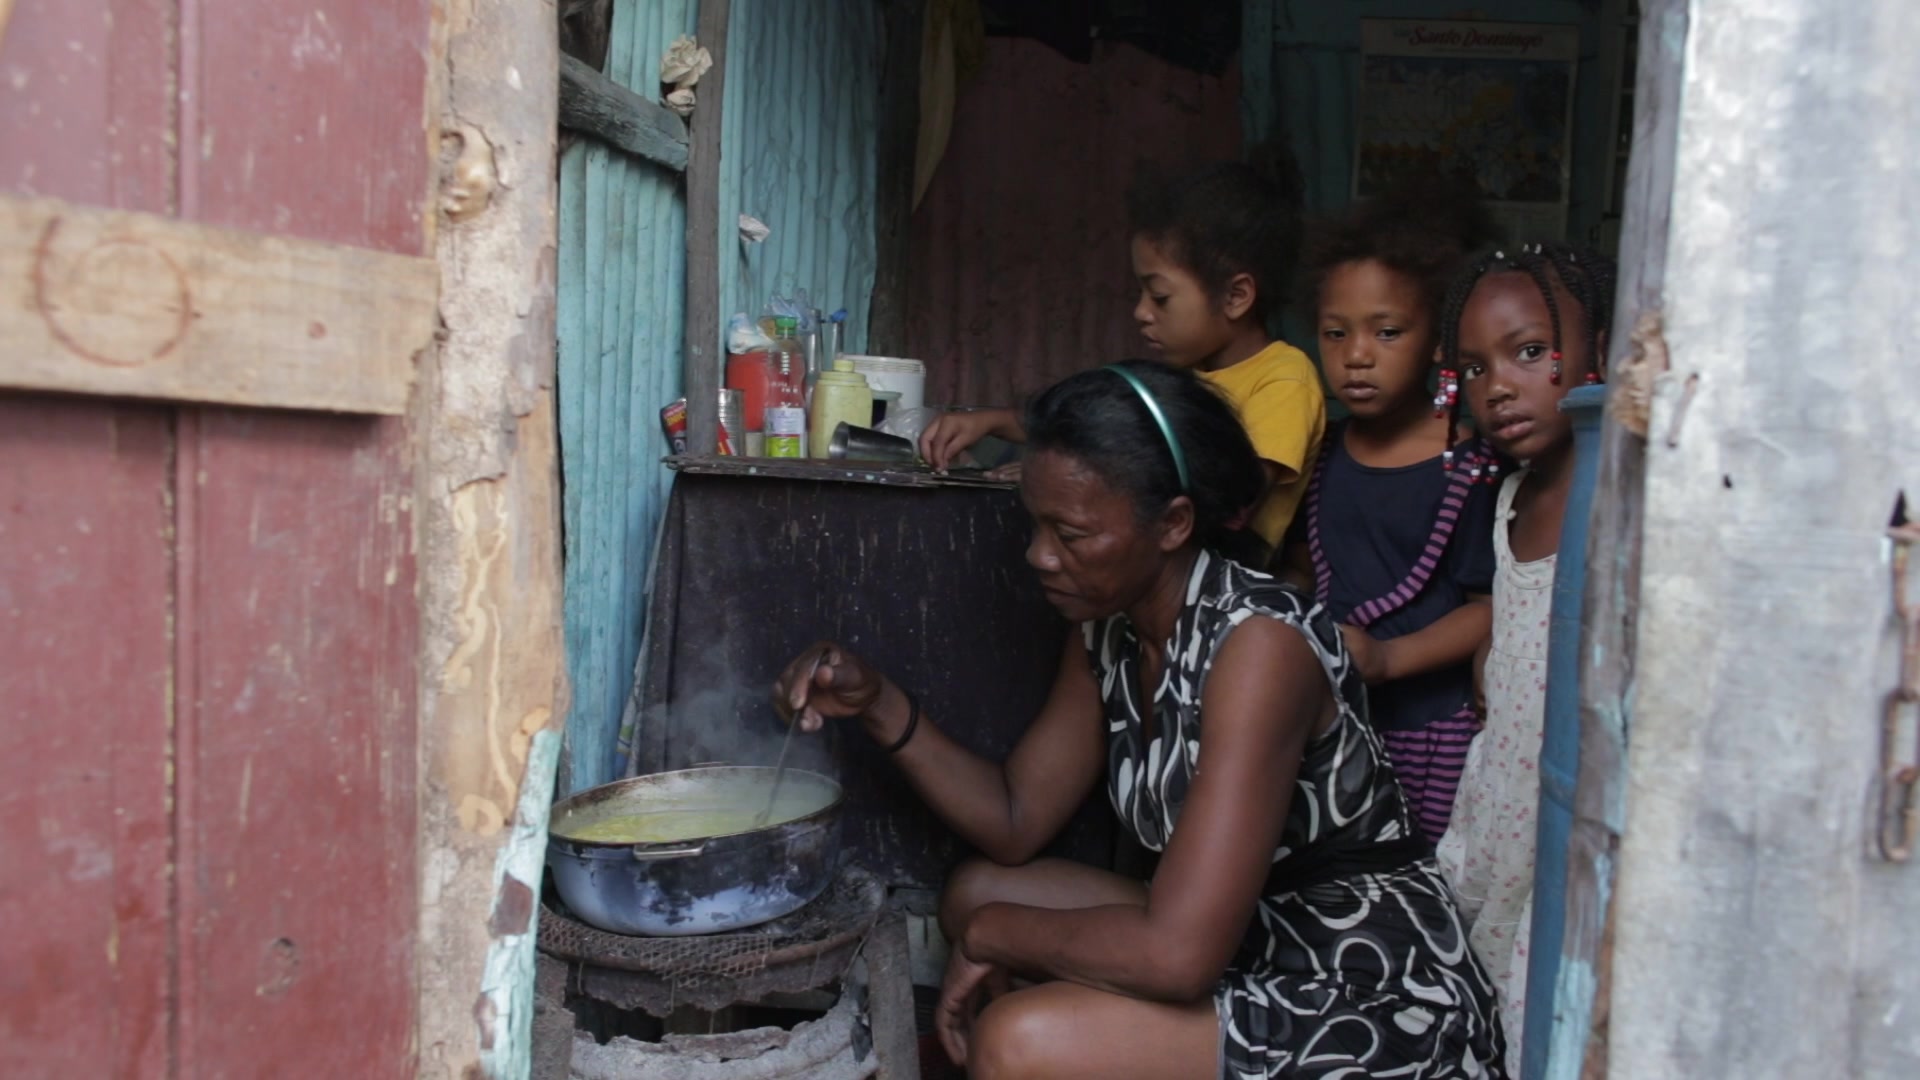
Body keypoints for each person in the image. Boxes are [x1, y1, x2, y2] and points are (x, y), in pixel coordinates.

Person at [777, 361, 1504, 1078]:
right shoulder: (1112, 627)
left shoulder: (1260, 646)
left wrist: (1000, 938)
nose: (1039, 556)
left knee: (1015, 1039)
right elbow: (1015, 815)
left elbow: (1178, 957)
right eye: (1035, 526)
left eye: (1071, 533)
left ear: (1174, 524)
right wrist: (878, 703)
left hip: (1367, 988)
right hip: (1249, 935)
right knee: (977, 894)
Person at [918, 158, 1326, 560]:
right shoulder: (1183, 375)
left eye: (1160, 297)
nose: (1141, 312)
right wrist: (991, 422)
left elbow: (1232, 497)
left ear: (1236, 296)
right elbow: (1098, 429)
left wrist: (1079, 480)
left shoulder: (1285, 379)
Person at [1432, 242, 1615, 1064]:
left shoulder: (1614, 499)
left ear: (1600, 351)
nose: (1498, 385)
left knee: (1549, 1010)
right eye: (1474, 368)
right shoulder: (1505, 499)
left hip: (1565, 812)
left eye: (1530, 352)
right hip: (1498, 801)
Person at [1279, 187, 1503, 845]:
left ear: (1439, 341)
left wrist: (1388, 656)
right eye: (1336, 332)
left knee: (1423, 880)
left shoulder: (1471, 466)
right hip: (1331, 724)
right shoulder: (1324, 452)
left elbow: (1492, 606)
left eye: (1387, 332)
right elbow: (1305, 567)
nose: (1356, 355)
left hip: (1433, 731)